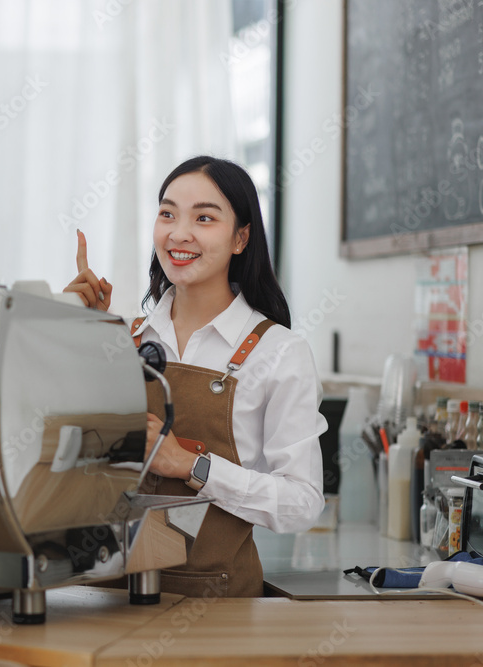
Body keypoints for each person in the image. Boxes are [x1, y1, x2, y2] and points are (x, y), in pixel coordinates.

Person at [65, 156, 325, 598]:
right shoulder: (121, 338)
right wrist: (71, 329)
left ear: (241, 238)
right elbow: (61, 460)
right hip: (105, 598)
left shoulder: (279, 352)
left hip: (218, 607)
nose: (179, 233)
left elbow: (302, 504)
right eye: (167, 213)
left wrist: (192, 465)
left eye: (204, 218)